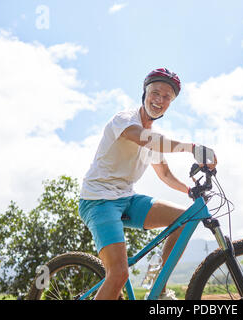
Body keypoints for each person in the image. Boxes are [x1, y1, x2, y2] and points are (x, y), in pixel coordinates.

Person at [79, 68, 217, 300]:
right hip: (98, 201)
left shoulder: (154, 136)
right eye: (155, 93)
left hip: (126, 198)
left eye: (166, 97)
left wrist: (189, 190)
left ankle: (158, 289)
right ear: (144, 93)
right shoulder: (124, 120)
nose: (159, 100)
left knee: (185, 219)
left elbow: (164, 174)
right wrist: (190, 147)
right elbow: (143, 138)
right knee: (119, 274)